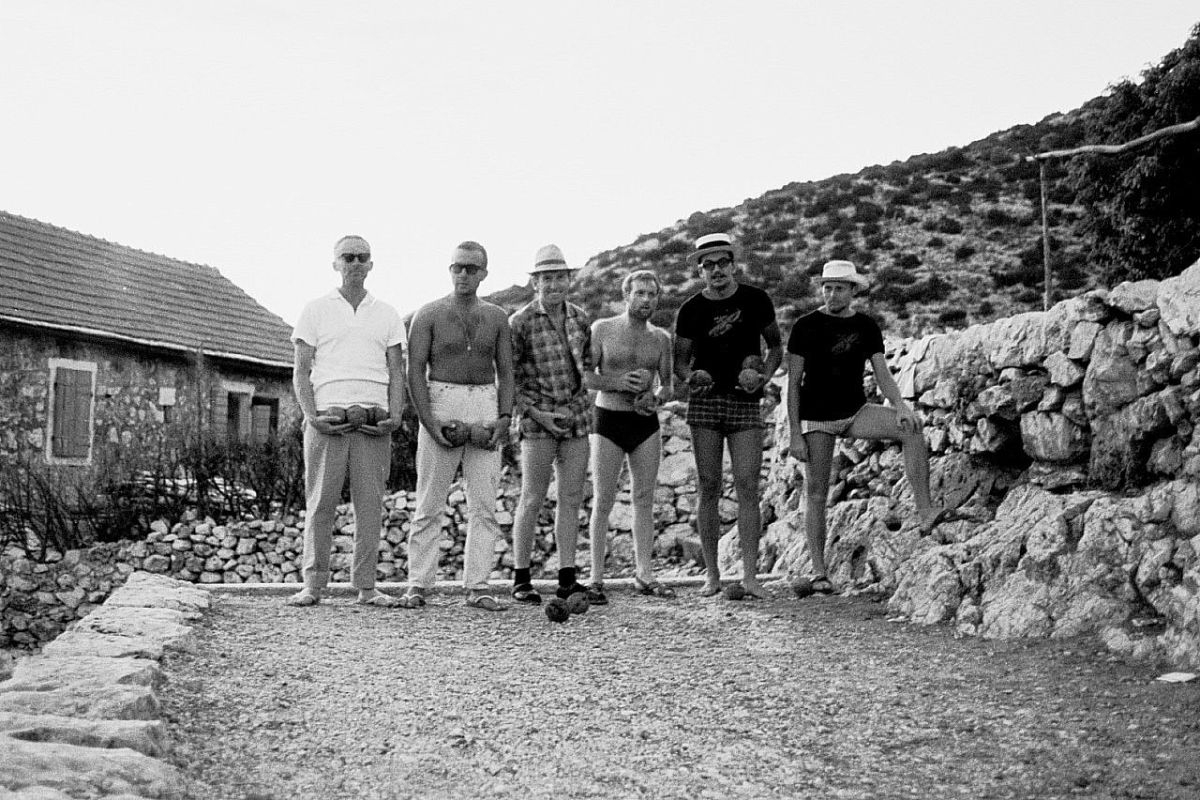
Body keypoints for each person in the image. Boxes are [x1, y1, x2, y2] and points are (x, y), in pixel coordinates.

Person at [787, 260, 967, 595]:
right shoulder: (805, 326)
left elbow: (882, 373)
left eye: (839, 287)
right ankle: (818, 571)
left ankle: (926, 512)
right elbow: (794, 382)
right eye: (827, 287)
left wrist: (900, 405)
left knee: (911, 429)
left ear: (853, 290)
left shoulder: (867, 326)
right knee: (816, 492)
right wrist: (795, 433)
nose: (832, 293)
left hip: (855, 410)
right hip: (817, 418)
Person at [288, 235, 406, 608]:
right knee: (320, 502)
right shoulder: (315, 309)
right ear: (335, 263)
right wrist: (311, 417)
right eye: (348, 257)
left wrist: (396, 415)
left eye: (363, 257)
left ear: (372, 264)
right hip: (328, 418)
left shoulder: (386, 312)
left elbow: (397, 371)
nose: (355, 263)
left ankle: (367, 587)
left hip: (373, 420)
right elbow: (301, 371)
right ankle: (313, 584)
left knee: (370, 505)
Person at [404, 241, 514, 611]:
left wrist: (503, 418)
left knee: (484, 503)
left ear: (484, 273)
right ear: (449, 270)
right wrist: (429, 420)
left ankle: (478, 584)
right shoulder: (429, 314)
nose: (463, 274)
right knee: (429, 501)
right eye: (457, 267)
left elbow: (506, 371)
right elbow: (414, 370)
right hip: (441, 398)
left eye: (471, 268)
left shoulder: (497, 317)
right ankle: (418, 583)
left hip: (484, 398)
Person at [674, 233, 783, 599]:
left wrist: (763, 377)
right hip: (706, 403)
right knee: (708, 486)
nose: (717, 270)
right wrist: (692, 377)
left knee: (748, 485)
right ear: (700, 269)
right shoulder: (690, 309)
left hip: (744, 400)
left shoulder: (755, 299)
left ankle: (750, 576)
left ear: (733, 263)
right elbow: (679, 363)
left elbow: (776, 346)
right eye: (709, 264)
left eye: (723, 262)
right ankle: (712, 575)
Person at [508, 244, 596, 605]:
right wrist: (538, 414)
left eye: (560, 277)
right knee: (532, 496)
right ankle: (521, 578)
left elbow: (587, 368)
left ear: (569, 280)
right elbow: (510, 380)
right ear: (535, 282)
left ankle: (567, 577)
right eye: (547, 278)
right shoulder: (521, 322)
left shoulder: (579, 318)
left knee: (571, 497)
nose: (554, 284)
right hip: (537, 418)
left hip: (575, 416)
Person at [585, 269, 675, 601]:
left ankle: (644, 574)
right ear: (626, 296)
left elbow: (668, 383)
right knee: (603, 499)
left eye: (652, 294)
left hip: (644, 423)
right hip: (608, 418)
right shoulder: (603, 329)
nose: (646, 300)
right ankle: (596, 578)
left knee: (644, 499)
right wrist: (618, 383)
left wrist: (658, 397)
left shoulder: (661, 338)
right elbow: (586, 377)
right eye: (640, 293)